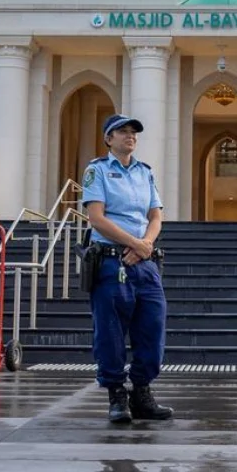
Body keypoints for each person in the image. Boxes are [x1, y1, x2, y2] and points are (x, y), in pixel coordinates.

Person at [80, 113, 173, 424]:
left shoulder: (145, 173)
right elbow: (97, 218)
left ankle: (142, 391)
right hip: (110, 261)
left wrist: (144, 244)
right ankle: (116, 394)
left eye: (133, 131)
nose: (130, 136)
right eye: (122, 131)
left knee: (153, 327)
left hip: (144, 263)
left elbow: (155, 216)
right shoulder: (98, 171)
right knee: (110, 331)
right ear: (109, 139)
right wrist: (133, 243)